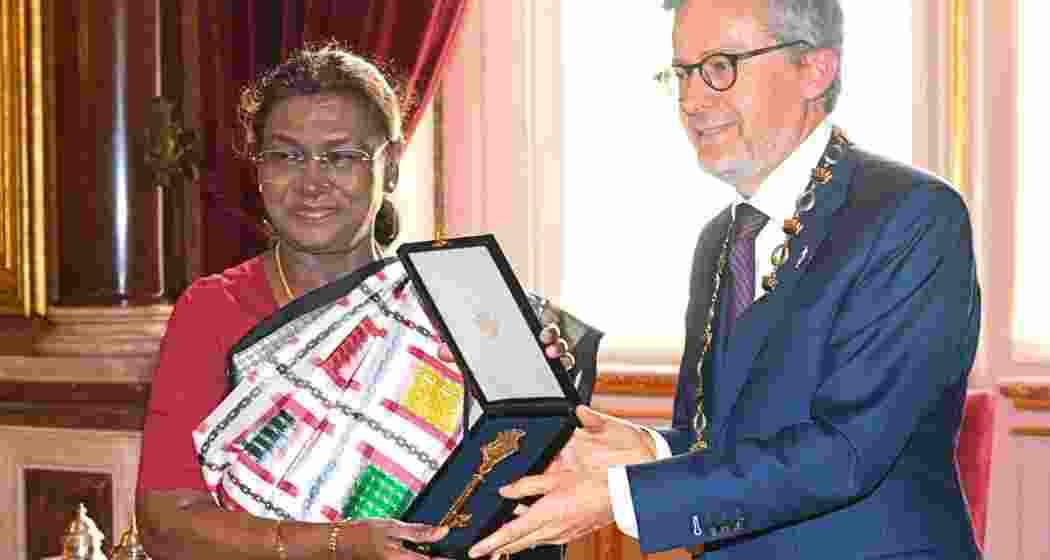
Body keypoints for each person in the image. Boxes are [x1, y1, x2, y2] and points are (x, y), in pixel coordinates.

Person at [468, 1, 982, 559]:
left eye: (720, 66)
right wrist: (646, 450)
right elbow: (726, 442)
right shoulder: (721, 239)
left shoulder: (912, 215)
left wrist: (621, 495)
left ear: (815, 70)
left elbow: (846, 452)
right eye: (682, 73)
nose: (691, 100)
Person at [135, 43, 588, 560]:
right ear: (258, 168)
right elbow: (165, 522)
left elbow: (516, 502)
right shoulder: (214, 310)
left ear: (390, 166)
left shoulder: (452, 305)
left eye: (341, 157)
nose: (311, 181)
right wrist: (337, 544)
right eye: (286, 156)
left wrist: (536, 396)